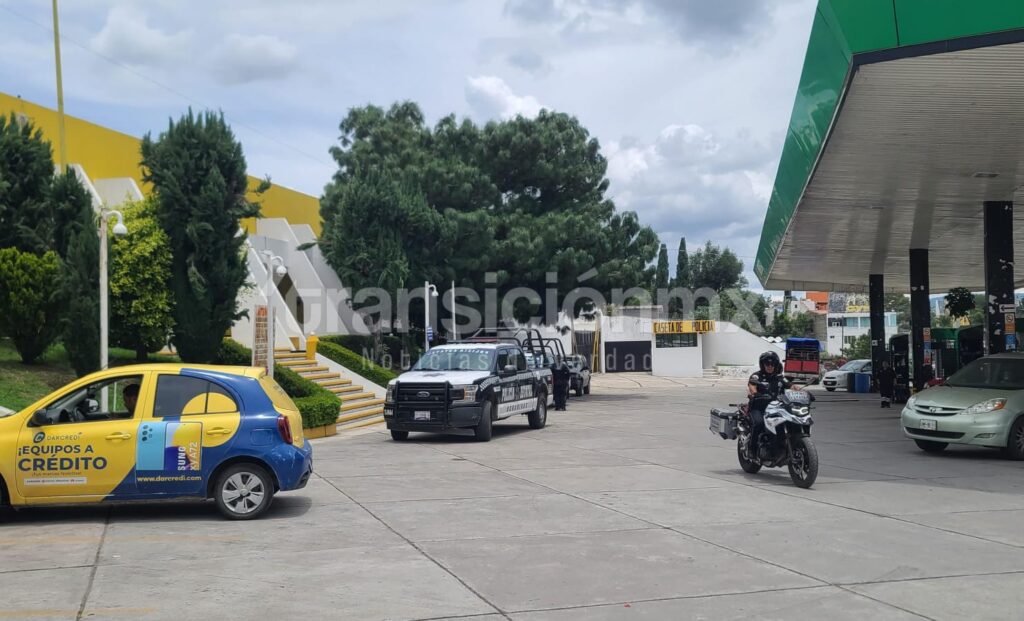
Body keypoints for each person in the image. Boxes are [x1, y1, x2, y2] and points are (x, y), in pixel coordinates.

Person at [746, 351, 791, 458]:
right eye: (767, 364)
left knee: (788, 421)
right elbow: (752, 387)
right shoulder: (756, 376)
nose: (770, 366)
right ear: (763, 364)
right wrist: (756, 394)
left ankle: (781, 447)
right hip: (758, 408)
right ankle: (752, 450)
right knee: (759, 424)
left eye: (772, 364)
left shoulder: (779, 377)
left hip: (776, 408)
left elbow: (792, 386)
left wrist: (804, 392)